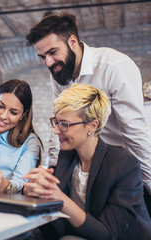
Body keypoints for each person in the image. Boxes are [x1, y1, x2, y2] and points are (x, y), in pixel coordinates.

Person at [26, 13, 151, 211]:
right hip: (82, 163)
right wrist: (53, 169)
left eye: (53, 52)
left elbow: (135, 132)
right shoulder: (59, 72)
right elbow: (58, 124)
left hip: (117, 166)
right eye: (43, 57)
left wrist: (148, 184)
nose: (48, 63)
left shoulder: (115, 67)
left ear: (73, 41)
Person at [23, 83, 151, 239]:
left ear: (92, 125)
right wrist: (34, 194)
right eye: (56, 122)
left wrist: (61, 199)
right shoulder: (67, 156)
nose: (56, 130)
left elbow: (107, 234)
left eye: (65, 124)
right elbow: (56, 219)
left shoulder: (124, 164)